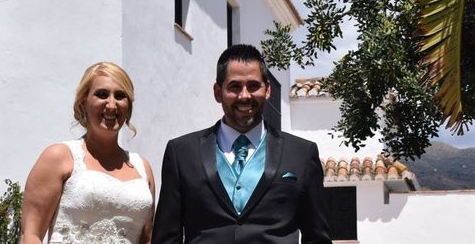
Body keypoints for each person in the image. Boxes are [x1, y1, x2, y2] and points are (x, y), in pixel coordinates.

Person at [152, 44, 331, 244]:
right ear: (218, 92)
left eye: (253, 86)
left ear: (268, 89)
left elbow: (317, 238)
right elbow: (166, 238)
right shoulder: (181, 153)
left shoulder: (302, 154)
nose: (244, 96)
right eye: (235, 86)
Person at [21, 62, 155, 244]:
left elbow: (146, 239)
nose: (111, 104)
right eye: (102, 94)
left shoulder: (143, 168)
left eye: (120, 96)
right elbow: (31, 235)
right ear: (84, 102)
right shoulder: (59, 156)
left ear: (128, 106)